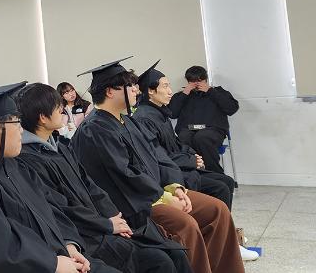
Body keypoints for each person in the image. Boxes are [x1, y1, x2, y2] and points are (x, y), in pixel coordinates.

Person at [70, 58, 244, 273]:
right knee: (185, 225)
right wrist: (162, 197)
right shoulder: (95, 129)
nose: (137, 90)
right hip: (132, 204)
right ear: (110, 91)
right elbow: (124, 175)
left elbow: (157, 157)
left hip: (156, 191)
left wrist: (174, 186)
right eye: (130, 86)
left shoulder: (128, 121)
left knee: (217, 210)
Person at [0, 84, 118, 273]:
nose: (22, 131)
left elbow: (51, 208)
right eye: (16, 123)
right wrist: (53, 264)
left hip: (58, 258)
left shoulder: (11, 163)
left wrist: (69, 245)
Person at [16, 82, 190, 273]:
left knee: (175, 253)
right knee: (160, 261)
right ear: (42, 118)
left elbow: (89, 184)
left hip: (102, 224)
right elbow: (62, 207)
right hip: (87, 236)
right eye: (58, 107)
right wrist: (107, 224)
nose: (62, 111)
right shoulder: (30, 160)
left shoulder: (60, 147)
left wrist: (113, 216)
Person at [133, 62, 236, 208]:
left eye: (199, 81)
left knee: (204, 142)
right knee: (186, 137)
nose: (170, 91)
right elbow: (158, 155)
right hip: (171, 170)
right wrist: (191, 160)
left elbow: (231, 108)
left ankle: (220, 217)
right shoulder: (147, 117)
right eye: (165, 86)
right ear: (150, 90)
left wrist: (192, 156)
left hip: (207, 136)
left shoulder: (158, 113)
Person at [169, 66, 240, 175]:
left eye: (199, 81)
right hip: (188, 130)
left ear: (205, 80)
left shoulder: (218, 92)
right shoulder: (182, 95)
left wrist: (210, 91)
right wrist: (184, 93)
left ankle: (215, 175)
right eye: (192, 81)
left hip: (213, 130)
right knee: (183, 138)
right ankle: (191, 176)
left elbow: (232, 109)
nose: (196, 84)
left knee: (202, 138)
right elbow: (172, 114)